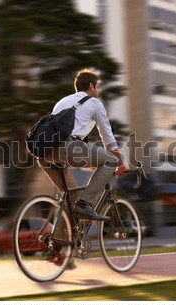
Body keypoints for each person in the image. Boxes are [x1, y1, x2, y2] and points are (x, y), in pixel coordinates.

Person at [38, 68, 127, 221]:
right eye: (97, 87)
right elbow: (108, 139)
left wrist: (91, 164)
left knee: (72, 195)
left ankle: (60, 240)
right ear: (91, 87)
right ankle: (86, 204)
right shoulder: (94, 103)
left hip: (44, 154)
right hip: (66, 149)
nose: (98, 90)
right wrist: (120, 164)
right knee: (110, 160)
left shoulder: (63, 101)